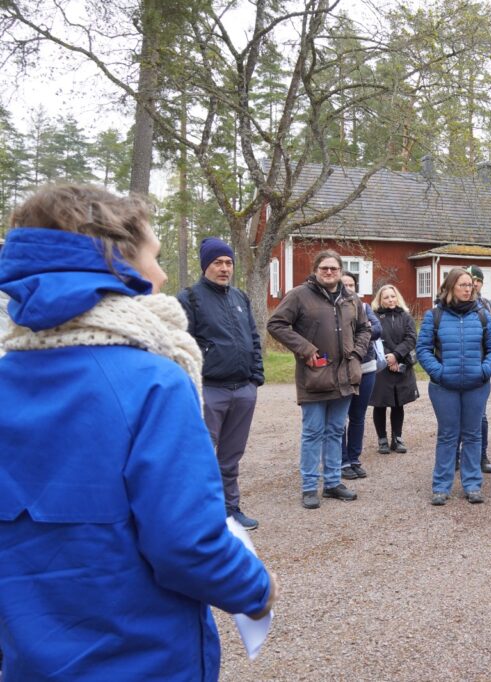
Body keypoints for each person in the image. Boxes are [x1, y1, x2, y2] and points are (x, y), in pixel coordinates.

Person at [0, 184, 276, 680]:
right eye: (155, 256)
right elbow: (187, 544)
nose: (165, 274)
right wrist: (256, 589)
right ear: (116, 263)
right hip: (141, 658)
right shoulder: (154, 379)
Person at [267, 250, 370, 509]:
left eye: (333, 268)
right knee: (313, 432)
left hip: (345, 376)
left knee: (336, 431)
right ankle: (309, 486)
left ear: (340, 271)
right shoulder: (299, 295)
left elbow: (365, 328)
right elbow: (276, 324)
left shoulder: (350, 298)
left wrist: (357, 353)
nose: (329, 272)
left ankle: (333, 482)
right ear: (315, 270)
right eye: (324, 268)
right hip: (314, 376)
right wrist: (305, 349)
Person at [177, 237, 264, 530]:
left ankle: (230, 509)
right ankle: (199, 514)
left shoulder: (240, 297)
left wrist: (256, 376)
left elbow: (253, 338)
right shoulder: (189, 298)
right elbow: (180, 344)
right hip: (209, 389)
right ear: (205, 266)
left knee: (230, 457)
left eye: (228, 262)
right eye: (218, 262)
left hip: (243, 389)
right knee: (199, 455)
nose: (224, 268)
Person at [415, 268, 491, 505]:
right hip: (444, 387)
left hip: (476, 385)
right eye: (462, 285)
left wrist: (484, 371)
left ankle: (472, 485)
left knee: (473, 435)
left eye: (470, 285)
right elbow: (422, 349)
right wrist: (439, 372)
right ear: (451, 286)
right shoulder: (435, 315)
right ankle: (441, 486)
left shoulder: (483, 315)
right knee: (447, 435)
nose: (467, 289)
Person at [339, 270, 382, 480]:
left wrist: (354, 331)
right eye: (344, 284)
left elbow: (377, 329)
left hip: (366, 368)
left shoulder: (364, 307)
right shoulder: (332, 309)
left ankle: (355, 458)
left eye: (351, 285)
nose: (347, 288)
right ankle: (342, 460)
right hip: (341, 370)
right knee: (340, 419)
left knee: (358, 416)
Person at [368, 284, 419, 454]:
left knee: (398, 404)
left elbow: (411, 338)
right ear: (380, 300)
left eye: (393, 296)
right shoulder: (375, 317)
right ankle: (382, 439)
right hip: (382, 368)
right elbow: (375, 339)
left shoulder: (406, 316)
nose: (390, 300)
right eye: (386, 297)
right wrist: (388, 357)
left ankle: (397, 438)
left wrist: (396, 355)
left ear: (397, 297)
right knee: (380, 404)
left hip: (401, 366)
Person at [464, 264, 491, 474]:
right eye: (469, 280)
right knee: (457, 416)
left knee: (481, 415)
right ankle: (458, 455)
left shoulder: (488, 306)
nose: (473, 284)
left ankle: (481, 455)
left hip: (480, 368)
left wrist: (489, 364)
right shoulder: (448, 306)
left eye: (476, 280)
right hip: (458, 368)